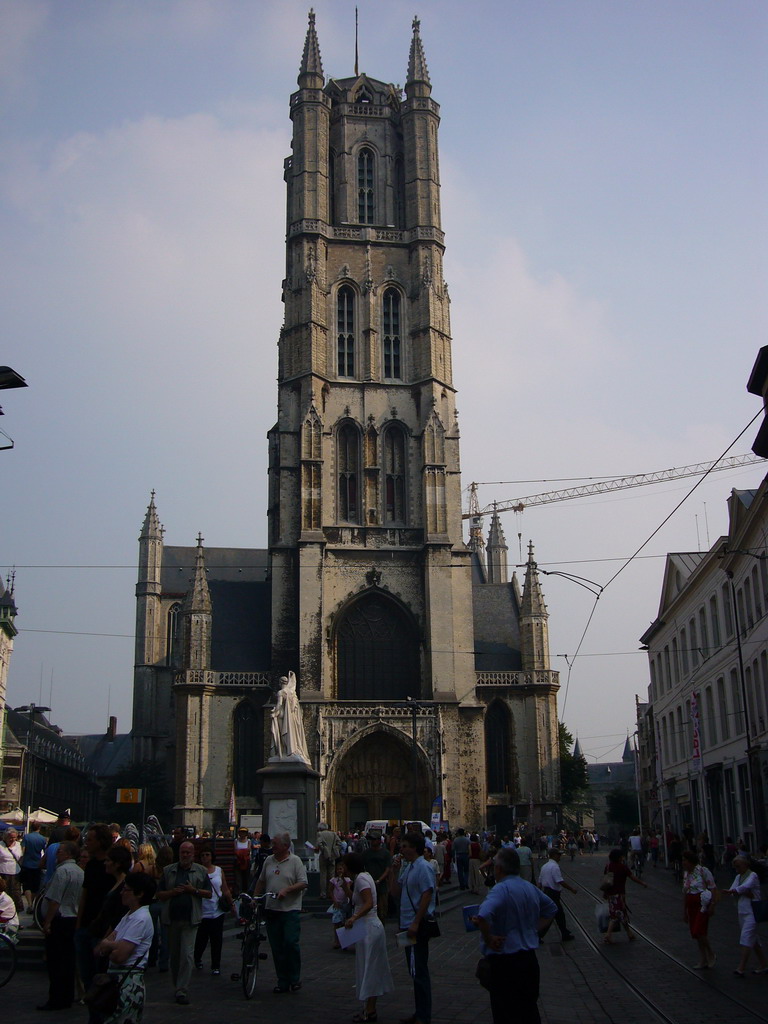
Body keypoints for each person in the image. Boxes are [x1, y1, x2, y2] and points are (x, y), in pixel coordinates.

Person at [473, 847, 557, 1024]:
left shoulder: (500, 889)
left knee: (505, 1012)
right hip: (529, 960)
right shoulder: (529, 887)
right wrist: (534, 930)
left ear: (499, 868)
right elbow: (551, 909)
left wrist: (489, 938)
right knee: (529, 1010)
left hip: (505, 961)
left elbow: (483, 916)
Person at [94, 871, 157, 1024]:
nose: (122, 892)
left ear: (139, 894)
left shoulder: (141, 919)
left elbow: (120, 955)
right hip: (115, 981)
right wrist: (111, 946)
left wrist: (109, 946)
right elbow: (101, 947)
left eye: (126, 889)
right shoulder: (129, 915)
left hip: (128, 983)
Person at [388, 831, 436, 1024]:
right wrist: (393, 870)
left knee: (419, 971)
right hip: (406, 923)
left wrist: (416, 922)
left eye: (406, 845)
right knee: (414, 970)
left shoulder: (423, 867)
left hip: (416, 925)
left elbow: (427, 893)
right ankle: (419, 1013)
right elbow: (395, 892)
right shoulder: (408, 868)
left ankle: (424, 1016)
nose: (402, 848)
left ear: (415, 847)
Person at [156, 840, 212, 1004]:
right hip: (172, 918)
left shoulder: (200, 871)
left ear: (193, 854)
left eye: (188, 852)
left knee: (187, 955)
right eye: (183, 852)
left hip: (190, 919)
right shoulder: (169, 871)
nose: (185, 855)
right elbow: (159, 894)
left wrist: (193, 890)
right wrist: (172, 892)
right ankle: (176, 984)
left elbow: (208, 893)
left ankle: (182, 989)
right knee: (175, 956)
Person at [253, 829, 307, 993]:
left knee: (290, 943)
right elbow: (261, 881)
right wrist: (255, 898)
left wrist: (287, 890)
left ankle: (294, 977)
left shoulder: (295, 861)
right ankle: (282, 980)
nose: (272, 846)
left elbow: (303, 883)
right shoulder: (269, 860)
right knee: (276, 947)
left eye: (275, 844)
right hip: (272, 909)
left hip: (290, 909)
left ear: (285, 846)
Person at [342, 851, 393, 1022]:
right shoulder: (361, 878)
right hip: (365, 927)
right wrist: (344, 885)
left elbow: (369, 903)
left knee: (370, 968)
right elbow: (356, 900)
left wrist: (354, 917)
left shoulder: (362, 879)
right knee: (366, 967)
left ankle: (370, 1010)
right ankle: (367, 1007)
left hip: (369, 927)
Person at [39, 841, 84, 1011]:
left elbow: (55, 899)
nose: (56, 854)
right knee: (68, 961)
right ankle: (67, 996)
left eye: (60, 851)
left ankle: (56, 998)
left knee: (56, 962)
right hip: (73, 919)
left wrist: (48, 921)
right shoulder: (80, 872)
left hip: (61, 919)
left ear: (68, 854)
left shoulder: (62, 871)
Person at [76, 823, 116, 994]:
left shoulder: (112, 866)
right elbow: (85, 894)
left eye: (90, 840)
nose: (86, 843)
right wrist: (78, 923)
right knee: (86, 973)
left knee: (100, 973)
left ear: (100, 842)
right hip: (86, 924)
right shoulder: (91, 864)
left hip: (102, 929)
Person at [193, 846, 233, 975]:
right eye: (203, 855)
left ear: (212, 856)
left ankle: (216, 965)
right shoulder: (197, 871)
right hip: (202, 911)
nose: (205, 857)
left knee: (217, 940)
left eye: (207, 855)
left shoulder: (218, 870)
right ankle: (197, 958)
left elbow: (225, 888)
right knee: (201, 939)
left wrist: (231, 903)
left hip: (217, 910)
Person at [727, 855, 768, 976]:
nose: (737, 869)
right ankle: (763, 964)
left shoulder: (752, 875)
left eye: (738, 867)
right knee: (753, 938)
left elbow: (744, 887)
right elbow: (733, 889)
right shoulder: (738, 877)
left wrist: (737, 891)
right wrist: (736, 891)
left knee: (746, 937)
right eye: (735, 867)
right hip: (742, 911)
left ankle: (741, 967)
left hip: (752, 912)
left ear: (745, 865)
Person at [601, 848, 647, 943]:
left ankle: (629, 933)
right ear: (619, 857)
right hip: (619, 895)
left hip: (611, 895)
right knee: (616, 915)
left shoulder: (608, 866)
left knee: (622, 915)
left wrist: (605, 893)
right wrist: (642, 883)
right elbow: (632, 877)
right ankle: (608, 935)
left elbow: (606, 881)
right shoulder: (623, 867)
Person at [681, 849, 717, 969]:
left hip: (702, 904)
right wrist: (684, 911)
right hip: (691, 905)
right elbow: (685, 892)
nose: (683, 863)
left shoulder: (703, 871)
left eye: (685, 860)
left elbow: (712, 887)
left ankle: (711, 953)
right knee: (696, 934)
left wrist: (712, 904)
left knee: (699, 930)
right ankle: (703, 958)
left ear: (690, 861)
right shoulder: (686, 874)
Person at [270, 671, 311, 764]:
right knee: (291, 733)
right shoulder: (292, 692)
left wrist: (274, 713)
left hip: (282, 716)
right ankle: (292, 750)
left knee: (283, 734)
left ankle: (286, 751)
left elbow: (279, 705)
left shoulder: (281, 692)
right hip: (291, 718)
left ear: (280, 683)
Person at [537, 848, 576, 941]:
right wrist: (572, 889)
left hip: (546, 892)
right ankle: (539, 935)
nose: (560, 857)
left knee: (559, 914)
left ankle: (564, 933)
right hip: (553, 894)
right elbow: (559, 881)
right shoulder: (554, 867)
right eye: (558, 855)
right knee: (552, 915)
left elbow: (540, 882)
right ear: (554, 855)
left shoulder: (544, 866)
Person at [361, 831, 392, 924]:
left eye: (374, 839)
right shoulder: (366, 853)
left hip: (381, 885)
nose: (372, 841)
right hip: (368, 884)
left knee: (382, 910)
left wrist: (379, 880)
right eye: (371, 839)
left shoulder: (385, 853)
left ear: (379, 840)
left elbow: (388, 869)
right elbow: (362, 867)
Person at [20, 821, 47, 912]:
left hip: (27, 864)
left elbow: (22, 851)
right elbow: (45, 852)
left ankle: (29, 904)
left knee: (27, 885)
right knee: (35, 886)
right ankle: (32, 901)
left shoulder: (27, 837)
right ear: (39, 828)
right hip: (37, 864)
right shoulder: (43, 839)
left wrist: (21, 861)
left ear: (31, 827)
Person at [329, 859, 351, 948]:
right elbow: (330, 891)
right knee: (336, 923)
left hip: (345, 903)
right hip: (337, 904)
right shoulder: (333, 880)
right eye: (338, 869)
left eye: (341, 869)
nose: (339, 871)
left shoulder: (347, 880)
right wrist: (334, 900)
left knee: (344, 922)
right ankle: (336, 940)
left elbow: (348, 891)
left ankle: (344, 940)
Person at [0, 828, 23, 912]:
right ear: (5, 837)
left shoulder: (18, 845)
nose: (12, 839)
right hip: (3, 873)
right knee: (4, 893)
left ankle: (16, 913)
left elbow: (21, 857)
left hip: (16, 873)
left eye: (14, 837)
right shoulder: (0, 845)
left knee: (16, 894)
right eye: (10, 837)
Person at [317, 822, 342, 897]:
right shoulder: (333, 834)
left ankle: (323, 893)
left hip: (324, 856)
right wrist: (335, 850)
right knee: (332, 875)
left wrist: (324, 850)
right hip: (332, 857)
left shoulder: (320, 834)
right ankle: (331, 893)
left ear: (320, 828)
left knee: (323, 875)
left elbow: (319, 843)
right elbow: (339, 843)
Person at [233, 828, 253, 896]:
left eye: (244, 832)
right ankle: (238, 893)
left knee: (246, 878)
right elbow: (235, 851)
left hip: (246, 862)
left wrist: (241, 852)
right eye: (241, 832)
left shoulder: (249, 841)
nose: (242, 834)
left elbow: (248, 850)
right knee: (238, 879)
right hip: (238, 862)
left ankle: (246, 893)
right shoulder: (236, 841)